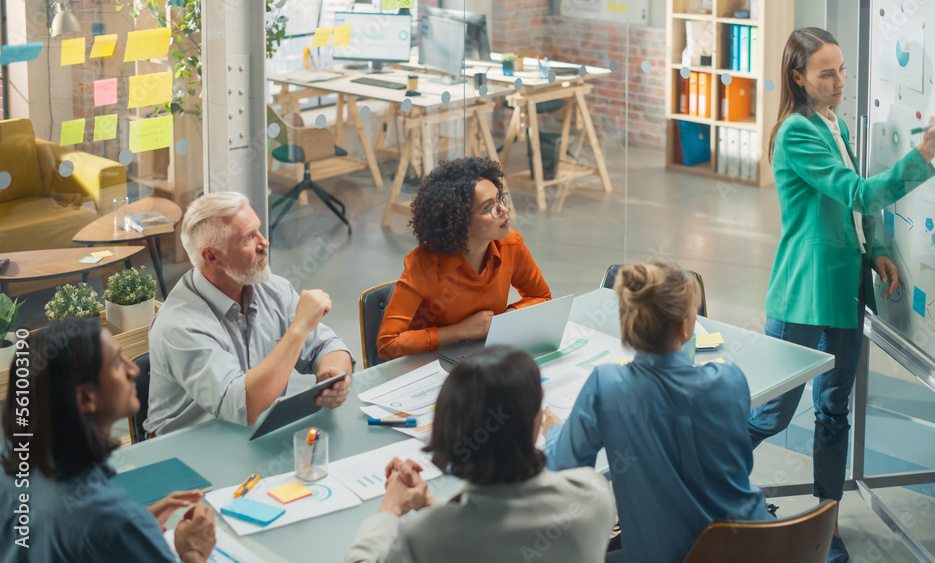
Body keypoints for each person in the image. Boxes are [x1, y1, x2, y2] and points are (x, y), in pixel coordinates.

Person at [750, 28, 935, 562]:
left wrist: (876, 250)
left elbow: (857, 210)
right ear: (799, 77)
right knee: (771, 416)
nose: (840, 82)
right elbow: (858, 190)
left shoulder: (832, 123)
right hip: (802, 297)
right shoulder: (797, 133)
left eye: (842, 69)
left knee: (833, 412)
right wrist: (921, 156)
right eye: (827, 73)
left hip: (843, 292)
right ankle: (703, 485)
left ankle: (826, 526)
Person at [543, 262, 772, 562]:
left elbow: (564, 469)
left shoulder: (607, 387)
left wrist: (553, 430)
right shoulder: (730, 379)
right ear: (686, 326)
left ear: (626, 325)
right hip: (761, 544)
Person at [344, 346, 615, 562]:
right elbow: (502, 535)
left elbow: (478, 533)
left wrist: (389, 511)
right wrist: (434, 505)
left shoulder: (424, 538)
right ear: (535, 422)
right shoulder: (592, 496)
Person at [1, 319, 217, 562]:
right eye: (116, 363)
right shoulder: (109, 517)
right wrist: (193, 551)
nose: (133, 370)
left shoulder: (10, 455)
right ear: (84, 398)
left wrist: (135, 529)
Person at [145, 192, 354, 436]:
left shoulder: (272, 288)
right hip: (183, 451)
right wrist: (299, 327)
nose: (264, 242)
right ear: (211, 256)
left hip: (254, 434)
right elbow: (243, 406)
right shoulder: (180, 325)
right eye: (248, 237)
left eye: (259, 230)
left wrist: (334, 378)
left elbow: (329, 346)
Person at [376, 157, 551, 360]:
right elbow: (388, 344)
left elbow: (542, 298)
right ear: (458, 221)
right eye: (488, 207)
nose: (504, 210)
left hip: (485, 357)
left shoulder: (511, 244)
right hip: (433, 366)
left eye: (500, 199)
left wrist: (503, 320)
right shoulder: (423, 265)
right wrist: (461, 331)